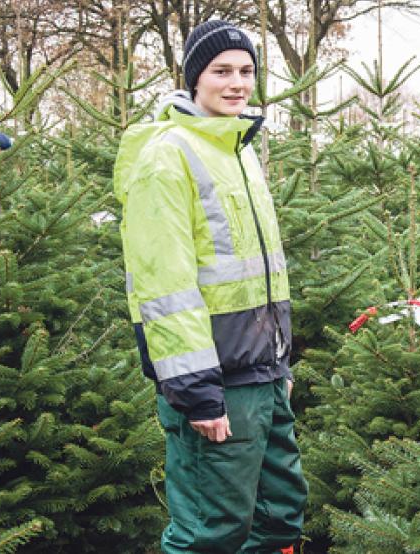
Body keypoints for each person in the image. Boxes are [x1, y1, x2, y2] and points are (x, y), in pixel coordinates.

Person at [113, 20, 307, 553]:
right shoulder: (167, 156)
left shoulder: (238, 148)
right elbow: (163, 287)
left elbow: (258, 276)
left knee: (279, 520)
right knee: (210, 533)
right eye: (222, 71)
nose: (237, 82)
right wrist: (197, 393)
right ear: (194, 79)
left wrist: (278, 364)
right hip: (214, 381)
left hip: (262, 374)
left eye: (246, 71)